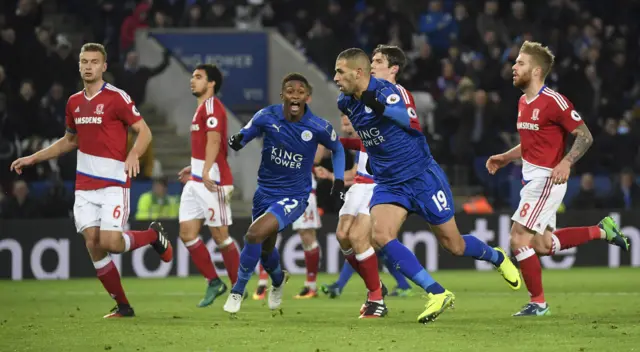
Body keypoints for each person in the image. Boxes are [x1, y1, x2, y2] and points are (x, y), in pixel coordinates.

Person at [334, 48, 520, 324]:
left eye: (339, 71)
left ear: (357, 72)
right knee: (381, 235)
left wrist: (377, 104)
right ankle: (436, 292)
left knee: (454, 245)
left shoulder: (389, 92)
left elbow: (404, 118)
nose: (335, 78)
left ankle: (495, 256)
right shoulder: (345, 102)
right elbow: (372, 136)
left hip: (421, 176)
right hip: (389, 182)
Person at [10, 43, 172, 318]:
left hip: (113, 184)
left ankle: (153, 236)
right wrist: (33, 158)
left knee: (111, 242)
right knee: (93, 244)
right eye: (84, 61)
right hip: (85, 187)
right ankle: (123, 306)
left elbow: (143, 131)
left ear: (104, 66)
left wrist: (134, 154)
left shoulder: (117, 98)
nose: (88, 66)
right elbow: (70, 140)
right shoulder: (73, 102)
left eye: (94, 62)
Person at [486, 40, 630, 317]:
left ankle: (538, 303)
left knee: (518, 239)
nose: (514, 67)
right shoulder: (522, 102)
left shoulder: (554, 101)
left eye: (520, 63)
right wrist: (506, 156)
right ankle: (603, 230)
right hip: (532, 179)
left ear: (537, 70)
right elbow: (531, 142)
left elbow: (585, 135)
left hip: (547, 179)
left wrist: (566, 161)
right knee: (542, 245)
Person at [223, 73, 346, 316]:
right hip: (264, 192)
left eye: (301, 92)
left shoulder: (318, 126)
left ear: (307, 97)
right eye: (290, 91)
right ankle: (278, 280)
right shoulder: (266, 116)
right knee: (266, 249)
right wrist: (236, 141)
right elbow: (243, 135)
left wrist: (339, 179)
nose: (295, 95)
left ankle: (237, 290)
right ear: (283, 95)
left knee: (253, 235)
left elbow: (338, 148)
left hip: (294, 196)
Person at [321, 45, 417, 299]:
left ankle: (375, 292)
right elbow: (355, 152)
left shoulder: (389, 100)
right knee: (345, 236)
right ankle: (376, 286)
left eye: (378, 61)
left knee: (363, 239)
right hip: (361, 186)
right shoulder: (361, 110)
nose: (374, 65)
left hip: (379, 185)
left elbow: (408, 126)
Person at [175, 64, 241, 308]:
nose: (193, 80)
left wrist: (204, 170)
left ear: (211, 83)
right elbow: (204, 144)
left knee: (220, 236)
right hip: (197, 178)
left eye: (199, 77)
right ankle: (214, 281)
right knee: (187, 234)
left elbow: (214, 141)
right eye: (192, 76)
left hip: (214, 180)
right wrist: (192, 168)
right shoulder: (200, 108)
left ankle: (238, 288)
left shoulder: (212, 106)